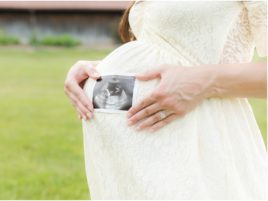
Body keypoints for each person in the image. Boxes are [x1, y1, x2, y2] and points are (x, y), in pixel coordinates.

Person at [64, 1, 267, 199]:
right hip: (128, 157)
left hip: (196, 137)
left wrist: (205, 81)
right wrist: (96, 71)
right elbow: (165, 53)